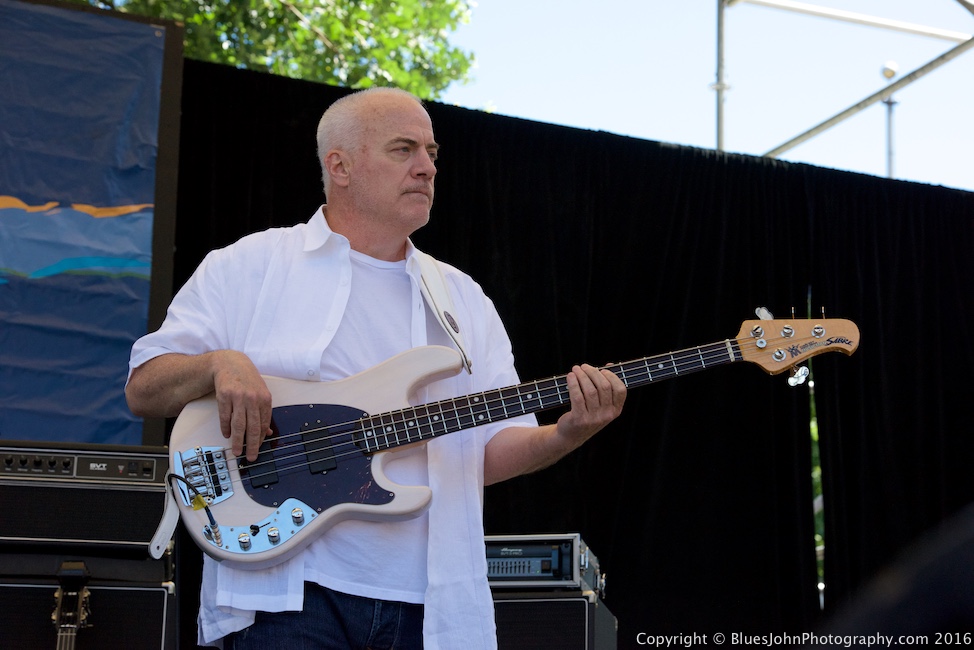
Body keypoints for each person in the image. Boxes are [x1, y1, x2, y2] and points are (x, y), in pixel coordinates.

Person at [125, 86, 626, 650]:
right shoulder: (251, 265)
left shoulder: (463, 300)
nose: (426, 167)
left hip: (429, 607)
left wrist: (568, 431)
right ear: (340, 166)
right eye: (404, 149)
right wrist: (221, 364)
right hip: (287, 597)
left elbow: (484, 452)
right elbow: (145, 387)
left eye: (432, 153)